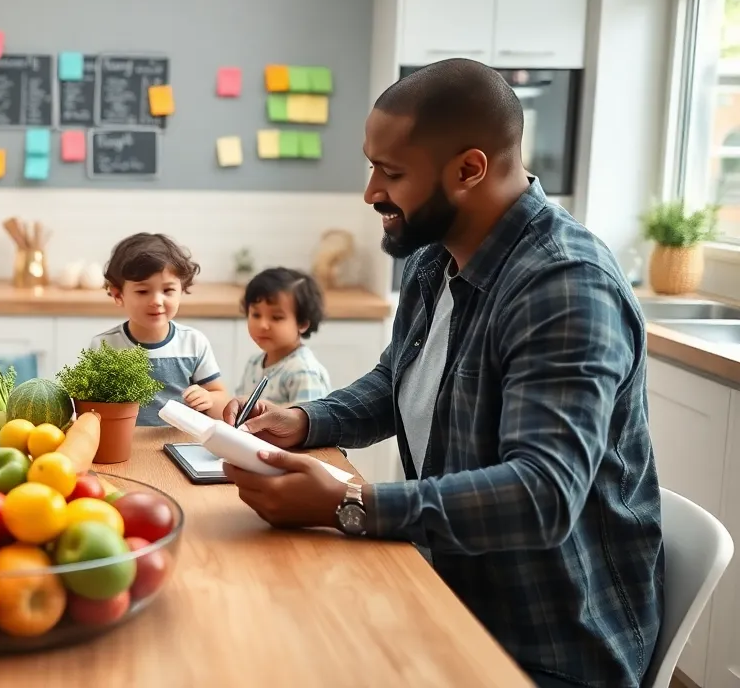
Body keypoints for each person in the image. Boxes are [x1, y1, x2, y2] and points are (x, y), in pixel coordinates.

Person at [220, 58, 663, 688]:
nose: (371, 191)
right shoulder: (438, 257)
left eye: (391, 172)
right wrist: (305, 419)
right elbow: (395, 380)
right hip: (452, 591)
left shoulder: (565, 288)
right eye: (373, 165)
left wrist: (349, 502)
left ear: (469, 169)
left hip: (546, 649)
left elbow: (543, 494)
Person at [89, 232, 229, 424]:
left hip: (181, 443)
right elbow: (91, 408)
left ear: (182, 289)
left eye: (168, 290)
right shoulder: (104, 345)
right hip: (126, 446)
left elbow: (222, 404)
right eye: (143, 291)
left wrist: (210, 399)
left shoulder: (194, 343)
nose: (156, 301)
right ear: (118, 294)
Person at [234, 267, 332, 407]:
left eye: (276, 317)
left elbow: (310, 424)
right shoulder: (254, 363)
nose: (263, 325)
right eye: (256, 315)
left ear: (302, 323)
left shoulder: (304, 372)